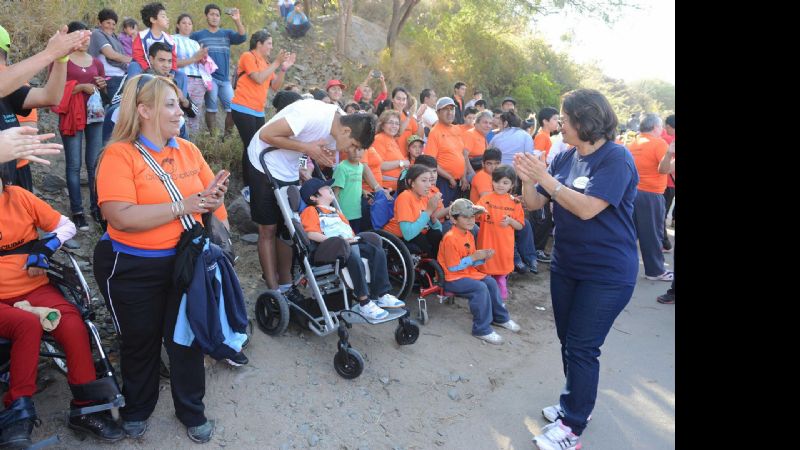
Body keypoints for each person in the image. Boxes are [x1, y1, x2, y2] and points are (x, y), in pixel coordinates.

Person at [93, 74, 229, 443]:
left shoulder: (187, 149)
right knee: (140, 339)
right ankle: (138, 408)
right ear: (144, 110)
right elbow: (120, 215)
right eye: (169, 104)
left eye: (178, 103)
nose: (179, 110)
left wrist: (212, 201)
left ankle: (192, 410)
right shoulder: (118, 154)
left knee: (186, 339)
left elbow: (205, 201)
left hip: (184, 264)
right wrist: (182, 206)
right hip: (131, 267)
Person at [514, 89, 639, 450]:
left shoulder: (615, 159)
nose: (559, 127)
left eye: (565, 121)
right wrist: (527, 176)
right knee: (568, 342)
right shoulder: (566, 156)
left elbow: (586, 208)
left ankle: (572, 427)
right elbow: (535, 201)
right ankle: (576, 404)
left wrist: (547, 179)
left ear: (585, 121)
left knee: (583, 347)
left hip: (607, 272)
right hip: (567, 266)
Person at [0, 172, 125, 447]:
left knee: (72, 324)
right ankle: (17, 413)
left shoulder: (18, 197)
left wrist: (47, 246)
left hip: (33, 287)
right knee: (27, 324)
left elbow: (65, 225)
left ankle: (85, 405)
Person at [246, 98, 377, 293]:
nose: (350, 151)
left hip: (288, 168)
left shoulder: (340, 127)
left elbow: (309, 150)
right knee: (268, 228)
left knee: (289, 228)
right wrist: (308, 149)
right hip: (262, 162)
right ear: (347, 132)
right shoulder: (310, 115)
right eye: (352, 145)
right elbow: (266, 135)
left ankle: (286, 283)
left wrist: (305, 165)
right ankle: (273, 288)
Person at [299, 177, 405, 320]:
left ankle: (381, 294)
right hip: (328, 248)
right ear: (313, 197)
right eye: (324, 188)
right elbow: (310, 233)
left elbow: (349, 232)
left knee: (376, 250)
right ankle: (364, 302)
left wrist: (353, 239)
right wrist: (338, 241)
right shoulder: (311, 211)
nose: (329, 188)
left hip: (348, 244)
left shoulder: (336, 212)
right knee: (352, 256)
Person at [437, 198, 520, 344]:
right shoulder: (450, 238)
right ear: (454, 220)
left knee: (490, 282)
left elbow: (471, 260)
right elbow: (452, 267)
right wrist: (474, 257)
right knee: (480, 288)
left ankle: (501, 318)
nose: (470, 220)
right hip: (451, 279)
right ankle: (481, 329)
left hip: (467, 274)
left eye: (472, 216)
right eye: (465, 217)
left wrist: (483, 257)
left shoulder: (468, 234)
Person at [57, 21, 107, 231]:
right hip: (72, 115)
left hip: (94, 116)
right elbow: (55, 89)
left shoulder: (96, 61)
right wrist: (79, 87)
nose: (86, 41)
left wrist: (102, 86)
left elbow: (105, 94)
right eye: (81, 37)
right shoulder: (63, 60)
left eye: (88, 37)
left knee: (95, 163)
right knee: (74, 164)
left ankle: (96, 207)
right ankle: (78, 211)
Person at [231, 29, 293, 192]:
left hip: (258, 111)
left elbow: (275, 86)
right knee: (250, 145)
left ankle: (254, 182)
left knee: (258, 145)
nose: (271, 47)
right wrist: (277, 63)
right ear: (259, 44)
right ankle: (248, 186)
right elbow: (258, 79)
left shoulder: (266, 63)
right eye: (269, 43)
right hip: (242, 107)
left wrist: (283, 69)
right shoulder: (248, 56)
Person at [628, 113, 673, 282]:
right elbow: (664, 169)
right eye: (661, 126)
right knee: (652, 234)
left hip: (632, 192)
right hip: (651, 194)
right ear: (655, 127)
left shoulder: (633, 143)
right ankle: (655, 271)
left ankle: (622, 266)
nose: (662, 129)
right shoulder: (658, 143)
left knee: (629, 233)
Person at [191, 4, 247, 136]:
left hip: (225, 80)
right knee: (211, 110)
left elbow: (242, 37)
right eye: (211, 14)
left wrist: (237, 20)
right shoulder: (198, 35)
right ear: (206, 16)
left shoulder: (226, 34)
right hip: (209, 78)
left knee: (233, 108)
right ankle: (213, 137)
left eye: (217, 15)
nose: (214, 17)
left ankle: (227, 137)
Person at [475, 165, 525, 300]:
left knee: (501, 276)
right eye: (497, 181)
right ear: (492, 181)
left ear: (512, 184)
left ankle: (500, 301)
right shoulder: (486, 199)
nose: (500, 185)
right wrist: (478, 212)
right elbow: (476, 216)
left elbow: (520, 226)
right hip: (486, 243)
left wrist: (510, 221)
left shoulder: (515, 203)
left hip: (504, 247)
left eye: (505, 182)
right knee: (485, 273)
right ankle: (485, 299)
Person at [331, 132, 387, 233]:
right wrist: (339, 213)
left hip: (357, 211)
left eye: (360, 149)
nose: (357, 152)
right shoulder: (342, 168)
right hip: (345, 213)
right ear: (346, 149)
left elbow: (351, 185)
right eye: (353, 149)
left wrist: (362, 191)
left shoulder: (360, 167)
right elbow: (336, 193)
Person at [383, 164, 443, 256]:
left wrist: (433, 218)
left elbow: (438, 229)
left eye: (429, 181)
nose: (429, 185)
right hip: (397, 237)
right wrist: (428, 211)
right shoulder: (405, 197)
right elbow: (408, 234)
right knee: (420, 239)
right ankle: (431, 265)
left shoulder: (424, 197)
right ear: (412, 183)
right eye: (424, 181)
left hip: (418, 233)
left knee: (436, 235)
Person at [424, 97, 471, 207]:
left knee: (457, 213)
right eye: (446, 109)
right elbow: (431, 162)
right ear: (438, 113)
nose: (450, 112)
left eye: (452, 109)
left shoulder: (457, 129)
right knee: (444, 211)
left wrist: (464, 177)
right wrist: (449, 177)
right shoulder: (435, 132)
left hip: (459, 182)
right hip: (444, 182)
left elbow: (463, 155)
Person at [143, 41, 192, 139]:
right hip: (148, 128)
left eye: (169, 61)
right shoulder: (140, 79)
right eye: (162, 60)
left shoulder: (174, 80)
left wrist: (183, 99)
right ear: (151, 59)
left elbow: (193, 112)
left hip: (174, 126)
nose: (166, 65)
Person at [531, 107, 560, 264]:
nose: (558, 122)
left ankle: (537, 249)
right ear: (545, 121)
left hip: (544, 181)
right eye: (555, 119)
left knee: (545, 219)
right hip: (540, 183)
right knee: (542, 219)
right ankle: (536, 249)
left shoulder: (547, 137)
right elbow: (537, 158)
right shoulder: (542, 137)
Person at [173, 13, 211, 135]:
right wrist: (194, 58)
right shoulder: (172, 39)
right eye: (184, 23)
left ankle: (193, 143)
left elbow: (198, 63)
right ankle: (179, 138)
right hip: (182, 79)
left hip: (198, 80)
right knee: (180, 110)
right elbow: (172, 62)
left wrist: (203, 58)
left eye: (190, 23)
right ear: (178, 25)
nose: (187, 26)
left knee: (195, 112)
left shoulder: (195, 43)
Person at [88, 8, 131, 101]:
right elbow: (110, 54)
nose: (111, 26)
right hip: (110, 79)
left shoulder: (114, 37)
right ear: (99, 23)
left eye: (113, 24)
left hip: (122, 77)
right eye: (108, 23)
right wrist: (134, 60)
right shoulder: (97, 34)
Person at [130, 3, 178, 77]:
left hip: (163, 70)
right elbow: (138, 56)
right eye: (163, 16)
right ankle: (132, 88)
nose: (167, 19)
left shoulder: (169, 40)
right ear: (153, 20)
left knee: (182, 76)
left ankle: (176, 88)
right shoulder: (142, 36)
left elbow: (173, 58)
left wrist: (172, 72)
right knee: (134, 65)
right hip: (146, 69)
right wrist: (148, 69)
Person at [370, 110, 409, 192]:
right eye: (390, 122)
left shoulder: (392, 140)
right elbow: (380, 165)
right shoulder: (379, 139)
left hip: (395, 187)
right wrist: (401, 163)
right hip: (385, 188)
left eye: (397, 123)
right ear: (383, 125)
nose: (394, 126)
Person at [661, 114, 675, 247]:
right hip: (671, 184)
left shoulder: (665, 139)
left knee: (661, 213)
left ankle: (664, 242)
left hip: (665, 182)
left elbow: (664, 168)